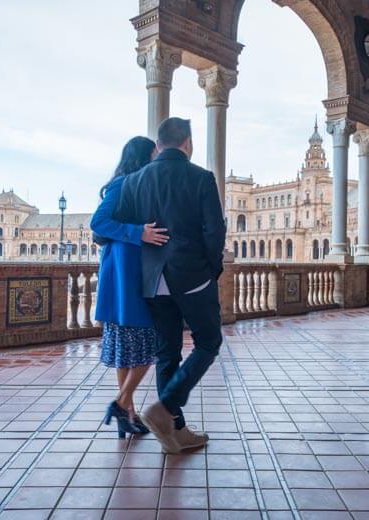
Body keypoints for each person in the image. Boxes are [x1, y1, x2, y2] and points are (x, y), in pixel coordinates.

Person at [114, 118, 226, 453]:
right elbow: (214, 231)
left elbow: (106, 229)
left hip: (152, 280)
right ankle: (165, 409)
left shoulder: (134, 182)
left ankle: (173, 433)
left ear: (159, 145)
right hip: (192, 276)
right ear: (187, 143)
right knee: (208, 342)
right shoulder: (201, 178)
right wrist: (211, 269)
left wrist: (141, 237)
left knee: (167, 355)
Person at [90, 136, 169, 438]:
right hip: (125, 275)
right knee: (149, 345)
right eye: (152, 155)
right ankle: (122, 404)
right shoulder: (122, 185)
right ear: (141, 158)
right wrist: (139, 233)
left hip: (128, 272)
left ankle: (128, 414)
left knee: (126, 350)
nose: (155, 160)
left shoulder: (136, 187)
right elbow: (98, 222)